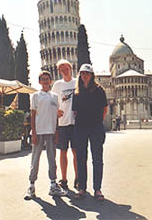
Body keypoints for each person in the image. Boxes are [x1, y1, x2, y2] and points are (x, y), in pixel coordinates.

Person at [25, 70, 67, 200]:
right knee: (35, 161)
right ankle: (31, 187)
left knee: (52, 160)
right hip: (38, 132)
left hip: (51, 132)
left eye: (47, 79)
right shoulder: (35, 96)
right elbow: (32, 115)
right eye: (42, 79)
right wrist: (34, 133)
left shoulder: (54, 97)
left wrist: (56, 132)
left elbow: (55, 116)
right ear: (39, 81)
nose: (45, 81)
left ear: (50, 81)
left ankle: (53, 185)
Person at [72, 63, 108, 201]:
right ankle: (82, 188)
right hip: (80, 128)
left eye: (86, 73)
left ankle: (97, 189)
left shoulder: (99, 90)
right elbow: (75, 111)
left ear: (92, 75)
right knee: (81, 158)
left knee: (97, 159)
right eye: (82, 73)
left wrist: (97, 122)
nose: (84, 75)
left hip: (95, 128)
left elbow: (104, 109)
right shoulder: (77, 92)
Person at [52, 59, 79, 190]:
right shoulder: (57, 85)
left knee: (76, 152)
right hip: (62, 123)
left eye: (66, 68)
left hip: (75, 123)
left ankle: (78, 178)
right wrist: (55, 110)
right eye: (61, 69)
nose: (64, 70)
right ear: (59, 71)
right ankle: (63, 179)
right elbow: (52, 102)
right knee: (63, 152)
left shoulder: (77, 82)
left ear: (71, 68)